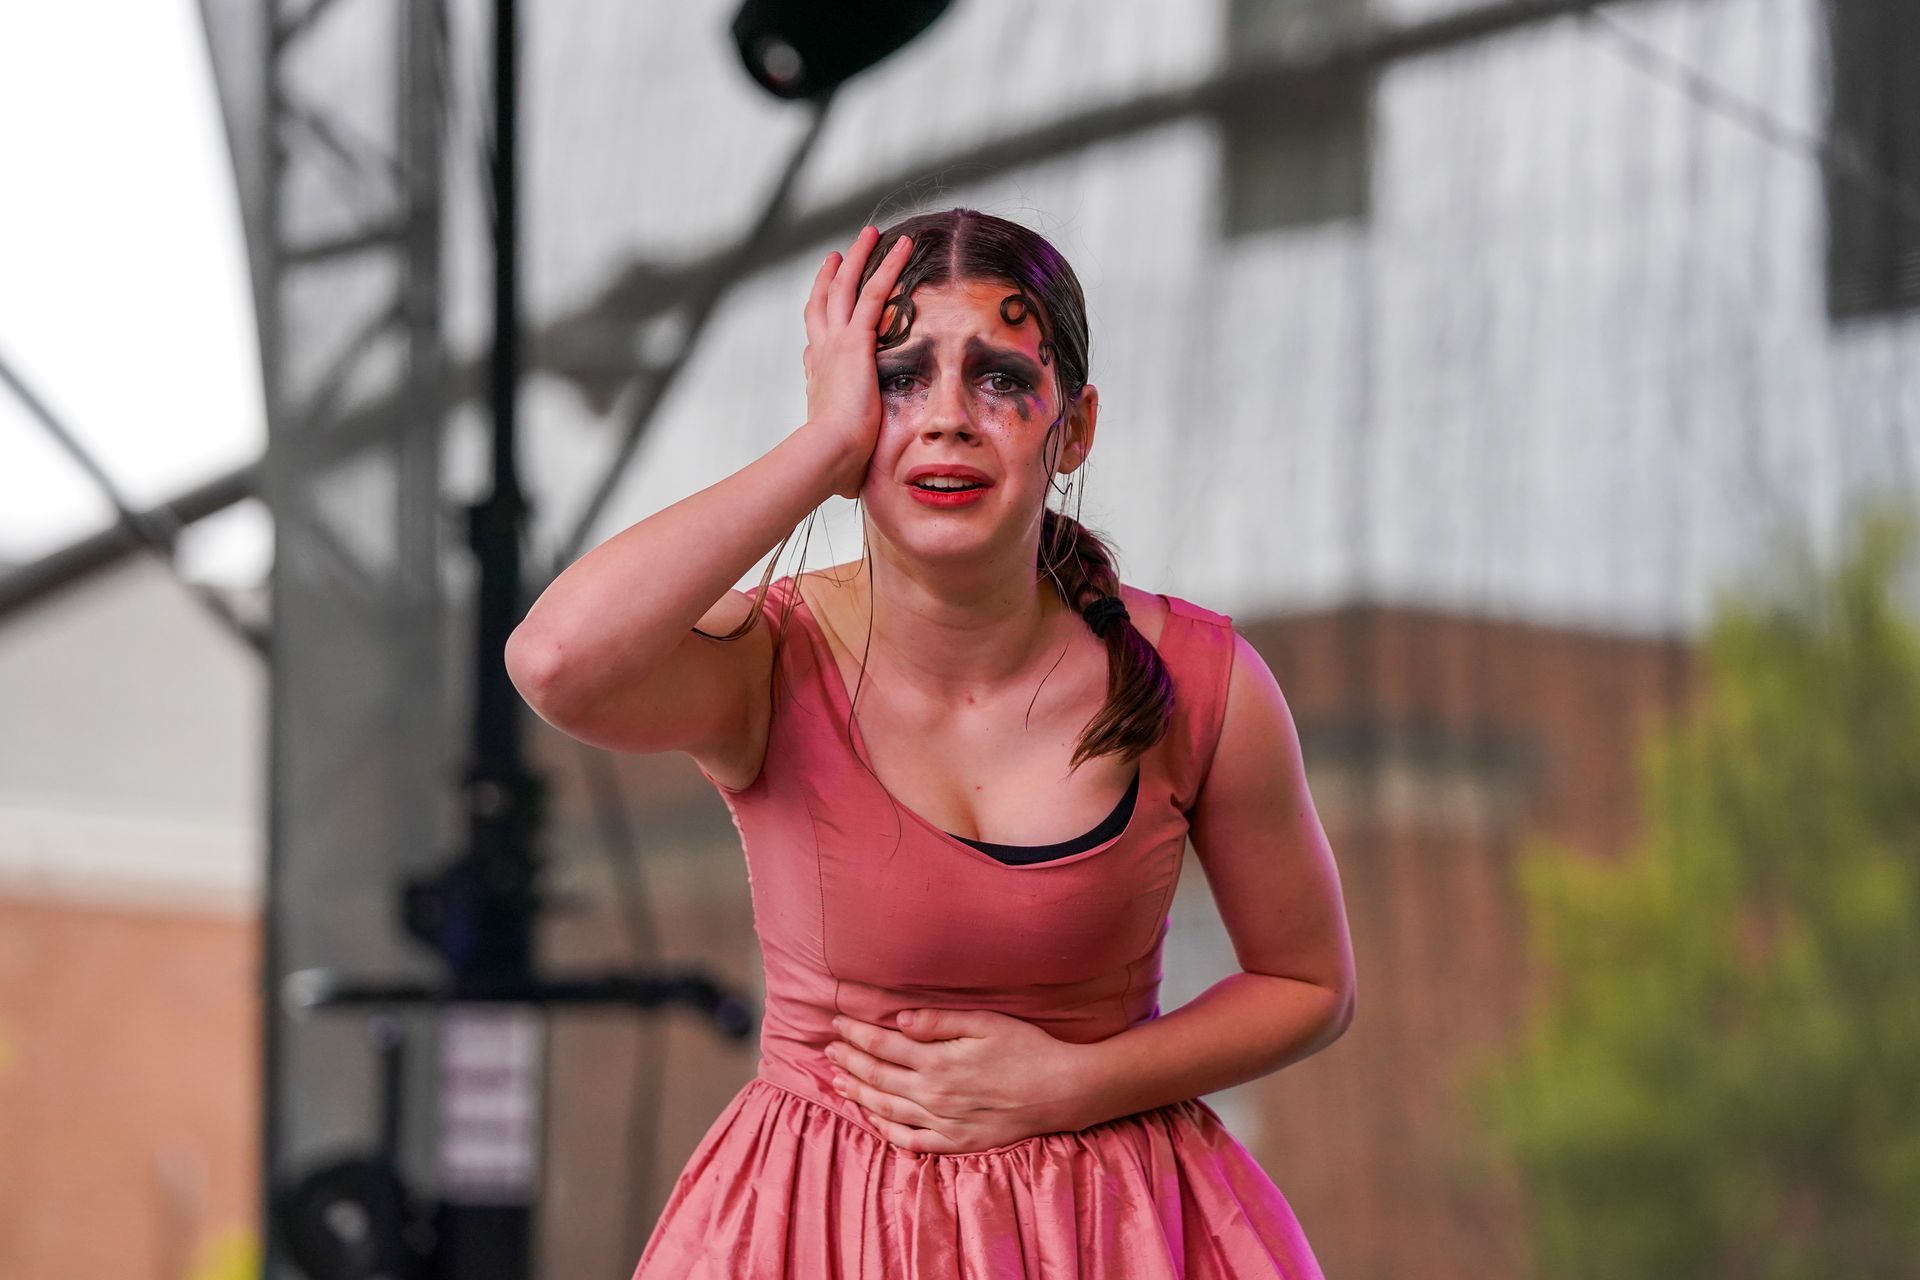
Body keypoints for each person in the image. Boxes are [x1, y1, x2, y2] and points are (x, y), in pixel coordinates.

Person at [506, 208, 1356, 1278]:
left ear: (1075, 426)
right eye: (901, 378)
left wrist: (1072, 1083)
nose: (948, 418)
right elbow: (555, 661)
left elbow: (1310, 982)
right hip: (816, 1229)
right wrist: (820, 447)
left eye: (1000, 379)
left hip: (1118, 1231)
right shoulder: (769, 656)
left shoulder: (1201, 677)